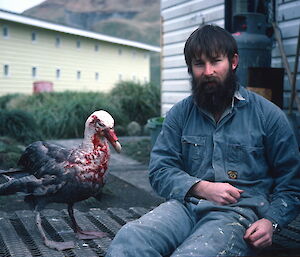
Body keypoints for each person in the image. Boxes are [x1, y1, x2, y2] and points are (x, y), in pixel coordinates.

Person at [105, 24, 300, 256]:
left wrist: (271, 221)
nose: (208, 71)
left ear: (233, 62)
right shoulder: (180, 114)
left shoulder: (268, 116)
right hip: (184, 207)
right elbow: (160, 170)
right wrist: (202, 187)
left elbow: (291, 186)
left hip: (238, 216)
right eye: (199, 64)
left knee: (197, 252)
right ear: (190, 68)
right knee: (131, 239)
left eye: (216, 61)